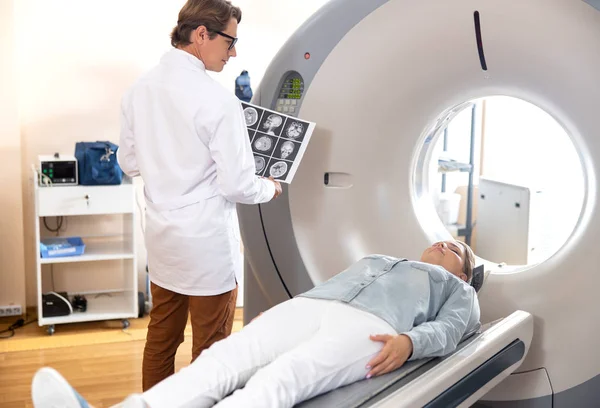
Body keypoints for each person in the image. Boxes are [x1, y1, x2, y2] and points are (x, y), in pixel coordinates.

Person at [31, 240, 480, 408]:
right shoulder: (381, 257)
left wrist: (408, 341)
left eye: (458, 247)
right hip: (312, 305)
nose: (446, 242)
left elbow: (451, 331)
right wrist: (290, 307)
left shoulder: (458, 291)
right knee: (222, 358)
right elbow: (332, 282)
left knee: (282, 379)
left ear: (462, 272)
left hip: (373, 327)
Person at [116, 0, 282, 393]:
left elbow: (128, 163)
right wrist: (270, 187)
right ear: (201, 34)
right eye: (230, 41)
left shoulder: (138, 91)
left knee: (161, 340)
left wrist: (168, 165)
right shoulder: (219, 101)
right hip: (206, 245)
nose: (234, 52)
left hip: (163, 240)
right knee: (212, 352)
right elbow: (238, 185)